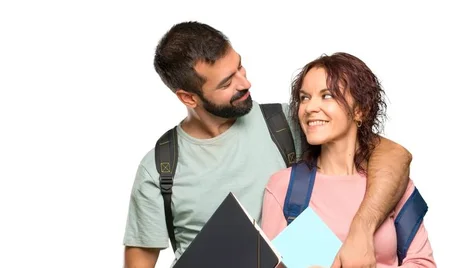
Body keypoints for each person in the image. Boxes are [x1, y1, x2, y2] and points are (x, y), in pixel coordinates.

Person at [123, 21, 413, 268]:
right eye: (226, 83)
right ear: (189, 98)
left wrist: (362, 228)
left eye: (240, 67)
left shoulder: (288, 123)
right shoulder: (160, 169)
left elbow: (393, 155)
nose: (245, 83)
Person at [260, 52, 436, 267]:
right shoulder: (283, 186)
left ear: (360, 110)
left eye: (327, 95)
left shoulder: (392, 184)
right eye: (305, 97)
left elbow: (423, 263)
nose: (310, 107)